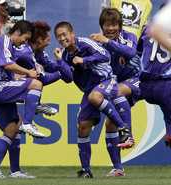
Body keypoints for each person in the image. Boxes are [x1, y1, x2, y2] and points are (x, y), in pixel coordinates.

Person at [53, 21, 131, 178]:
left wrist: (84, 60)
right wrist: (60, 61)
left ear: (72, 34)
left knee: (95, 97)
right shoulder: (66, 55)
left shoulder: (85, 43)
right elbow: (68, 78)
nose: (62, 38)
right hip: (90, 90)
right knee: (82, 127)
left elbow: (105, 55)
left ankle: (124, 129)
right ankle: (86, 170)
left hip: (106, 81)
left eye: (64, 34)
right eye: (59, 36)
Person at [0, 20, 45, 178]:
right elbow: (7, 65)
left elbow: (10, 66)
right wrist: (29, 72)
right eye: (24, 38)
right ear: (16, 32)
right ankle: (28, 123)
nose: (24, 42)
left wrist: (30, 70)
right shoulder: (4, 40)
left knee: (12, 127)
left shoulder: (11, 47)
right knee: (36, 84)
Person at [90, 8, 140, 176]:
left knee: (116, 90)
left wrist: (107, 41)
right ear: (101, 26)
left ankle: (128, 134)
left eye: (114, 25)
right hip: (114, 83)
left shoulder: (129, 37)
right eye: (106, 25)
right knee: (110, 123)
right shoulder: (96, 41)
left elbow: (131, 52)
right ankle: (118, 168)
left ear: (120, 25)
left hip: (136, 80)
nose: (110, 29)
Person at [14, 21, 72, 115]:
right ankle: (35, 106)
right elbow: (42, 79)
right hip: (4, 86)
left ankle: (35, 106)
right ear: (40, 40)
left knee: (14, 127)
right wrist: (61, 73)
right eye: (47, 41)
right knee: (36, 79)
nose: (49, 44)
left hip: (17, 86)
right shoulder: (26, 53)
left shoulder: (38, 52)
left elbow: (52, 67)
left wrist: (62, 62)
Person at [138, 24, 171, 150]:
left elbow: (137, 51)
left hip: (143, 82)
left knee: (119, 99)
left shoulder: (147, 28)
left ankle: (124, 130)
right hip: (166, 84)